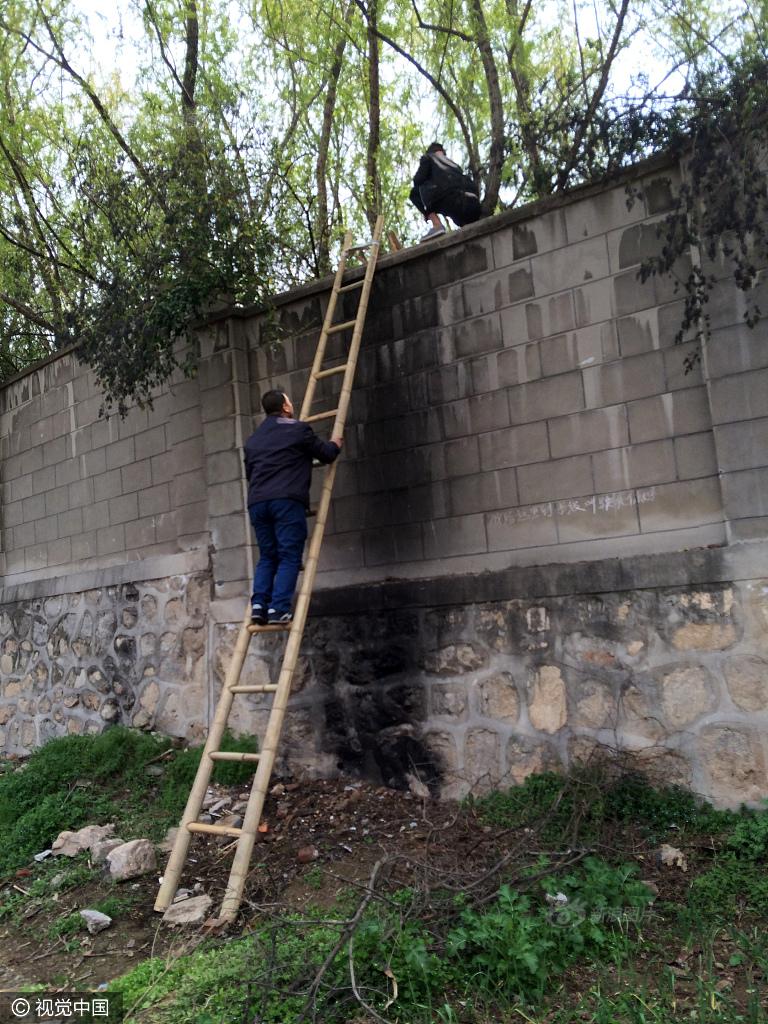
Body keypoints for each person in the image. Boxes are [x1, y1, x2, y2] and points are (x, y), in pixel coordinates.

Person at [243, 390, 342, 625]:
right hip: (286, 501)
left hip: (258, 502)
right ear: (285, 407)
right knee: (289, 556)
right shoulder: (298, 430)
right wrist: (335, 444)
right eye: (289, 400)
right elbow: (326, 454)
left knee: (268, 556)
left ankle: (258, 606)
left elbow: (250, 474)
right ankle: (278, 609)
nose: (292, 403)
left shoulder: (253, 440)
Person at [409, 142, 481, 241]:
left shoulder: (428, 158)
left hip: (454, 201)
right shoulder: (455, 166)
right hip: (474, 206)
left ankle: (437, 225)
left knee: (415, 193)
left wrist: (427, 211)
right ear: (443, 152)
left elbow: (417, 180)